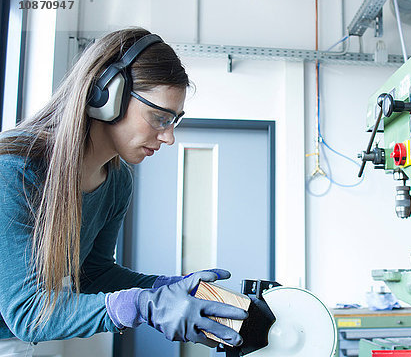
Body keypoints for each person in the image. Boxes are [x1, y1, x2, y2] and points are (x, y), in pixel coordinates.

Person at [0, 28, 247, 356]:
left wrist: (165, 290)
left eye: (174, 121)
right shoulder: (14, 173)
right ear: (106, 95)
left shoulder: (117, 183)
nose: (169, 137)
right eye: (160, 118)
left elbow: (94, 274)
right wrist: (145, 305)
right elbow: (29, 314)